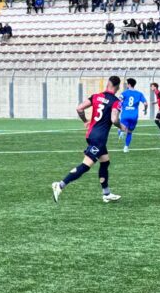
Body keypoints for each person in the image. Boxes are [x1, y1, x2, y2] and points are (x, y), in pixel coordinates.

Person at [51, 75, 125, 204]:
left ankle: (106, 193)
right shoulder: (116, 101)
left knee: (105, 162)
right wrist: (121, 126)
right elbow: (114, 119)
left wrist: (85, 121)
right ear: (118, 87)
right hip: (99, 138)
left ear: (107, 84)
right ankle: (60, 185)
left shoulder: (96, 96)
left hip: (92, 134)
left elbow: (79, 108)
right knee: (85, 166)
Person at [116, 78, 148, 153]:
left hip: (125, 114)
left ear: (129, 84)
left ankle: (121, 131)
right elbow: (145, 103)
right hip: (134, 116)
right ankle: (126, 148)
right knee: (130, 132)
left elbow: (119, 101)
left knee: (120, 127)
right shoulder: (139, 93)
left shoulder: (124, 93)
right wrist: (145, 110)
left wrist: (118, 108)